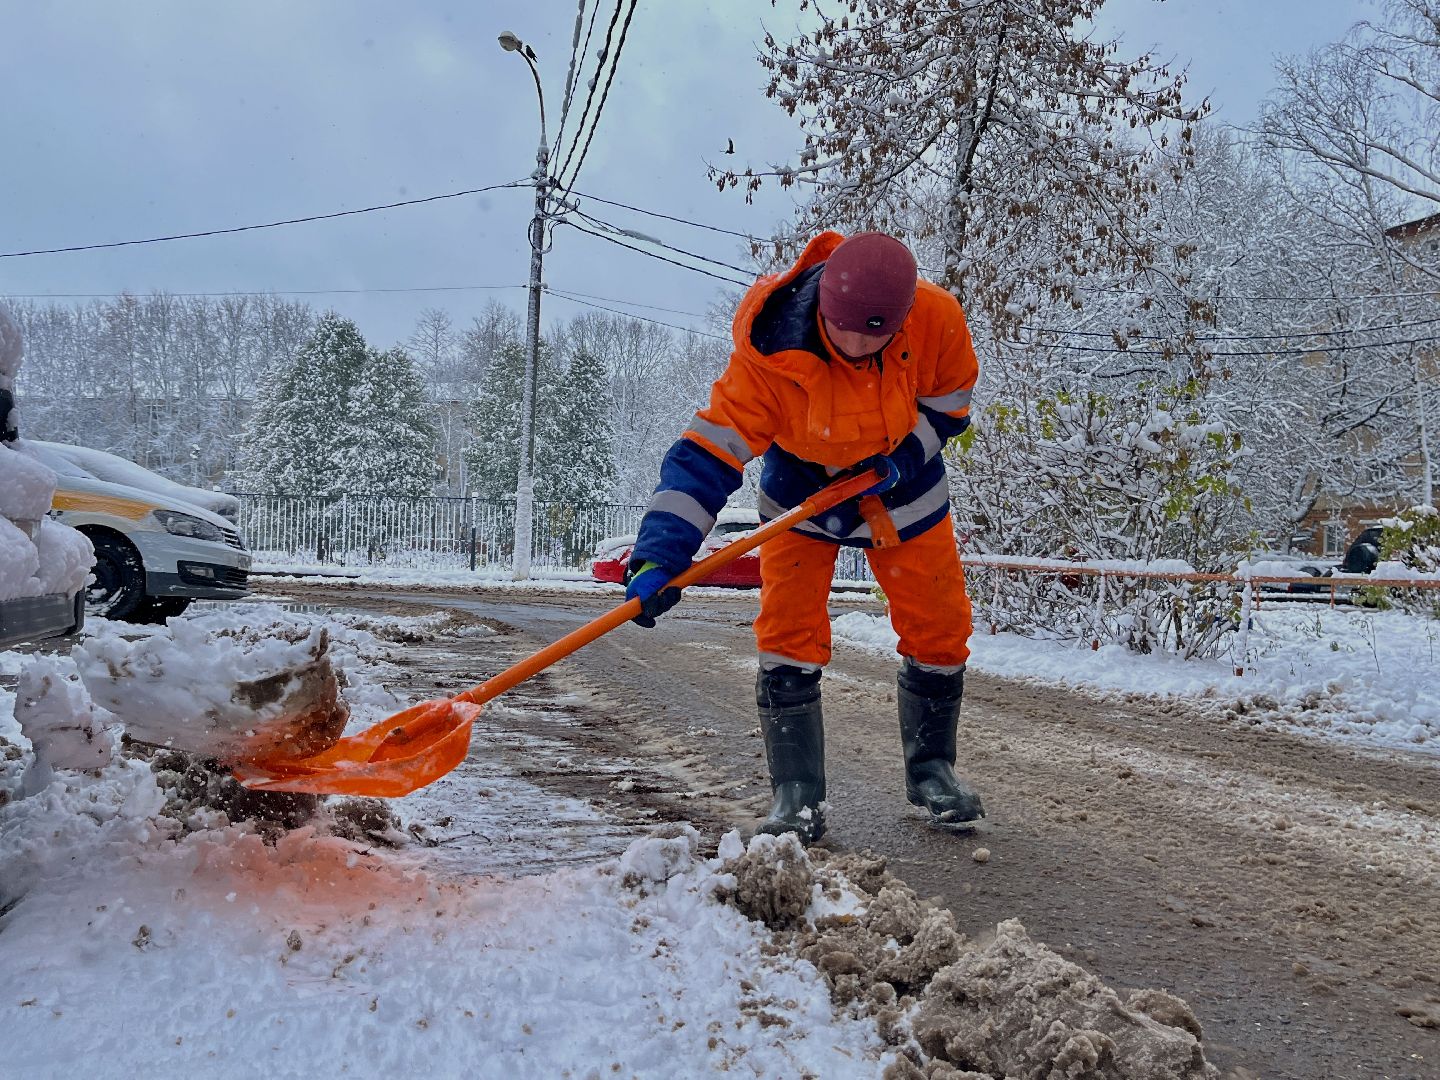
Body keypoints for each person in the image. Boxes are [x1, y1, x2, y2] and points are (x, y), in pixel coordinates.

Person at [624, 230, 982, 843]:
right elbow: (708, 454)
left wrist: (906, 457)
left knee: (941, 627)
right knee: (788, 630)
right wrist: (659, 554)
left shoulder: (937, 318)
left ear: (903, 320)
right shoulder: (770, 353)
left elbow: (950, 406)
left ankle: (932, 772)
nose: (857, 345)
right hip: (802, 495)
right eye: (845, 331)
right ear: (822, 306)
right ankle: (798, 795)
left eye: (877, 336)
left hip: (904, 489)